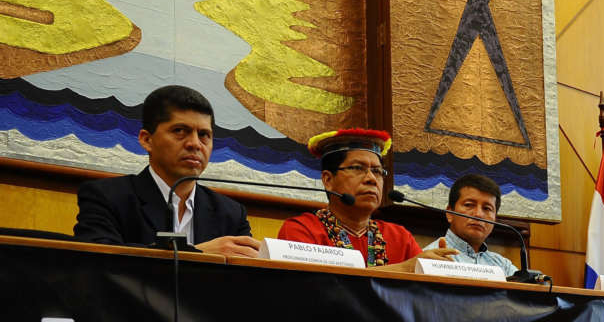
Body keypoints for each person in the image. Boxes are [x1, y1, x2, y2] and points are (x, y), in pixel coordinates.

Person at [73, 85, 260, 257]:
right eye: (179, 131)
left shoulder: (232, 214)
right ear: (146, 140)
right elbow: (100, 266)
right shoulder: (106, 197)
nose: (195, 144)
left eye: (204, 135)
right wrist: (196, 253)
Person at [277, 129, 440, 270]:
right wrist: (405, 268)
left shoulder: (399, 237)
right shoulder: (302, 230)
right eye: (357, 168)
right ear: (328, 180)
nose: (371, 179)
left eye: (377, 171)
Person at [425, 173, 518, 276]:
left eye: (487, 208)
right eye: (469, 205)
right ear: (450, 213)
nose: (478, 214)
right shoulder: (429, 257)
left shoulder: (504, 266)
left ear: (495, 219)